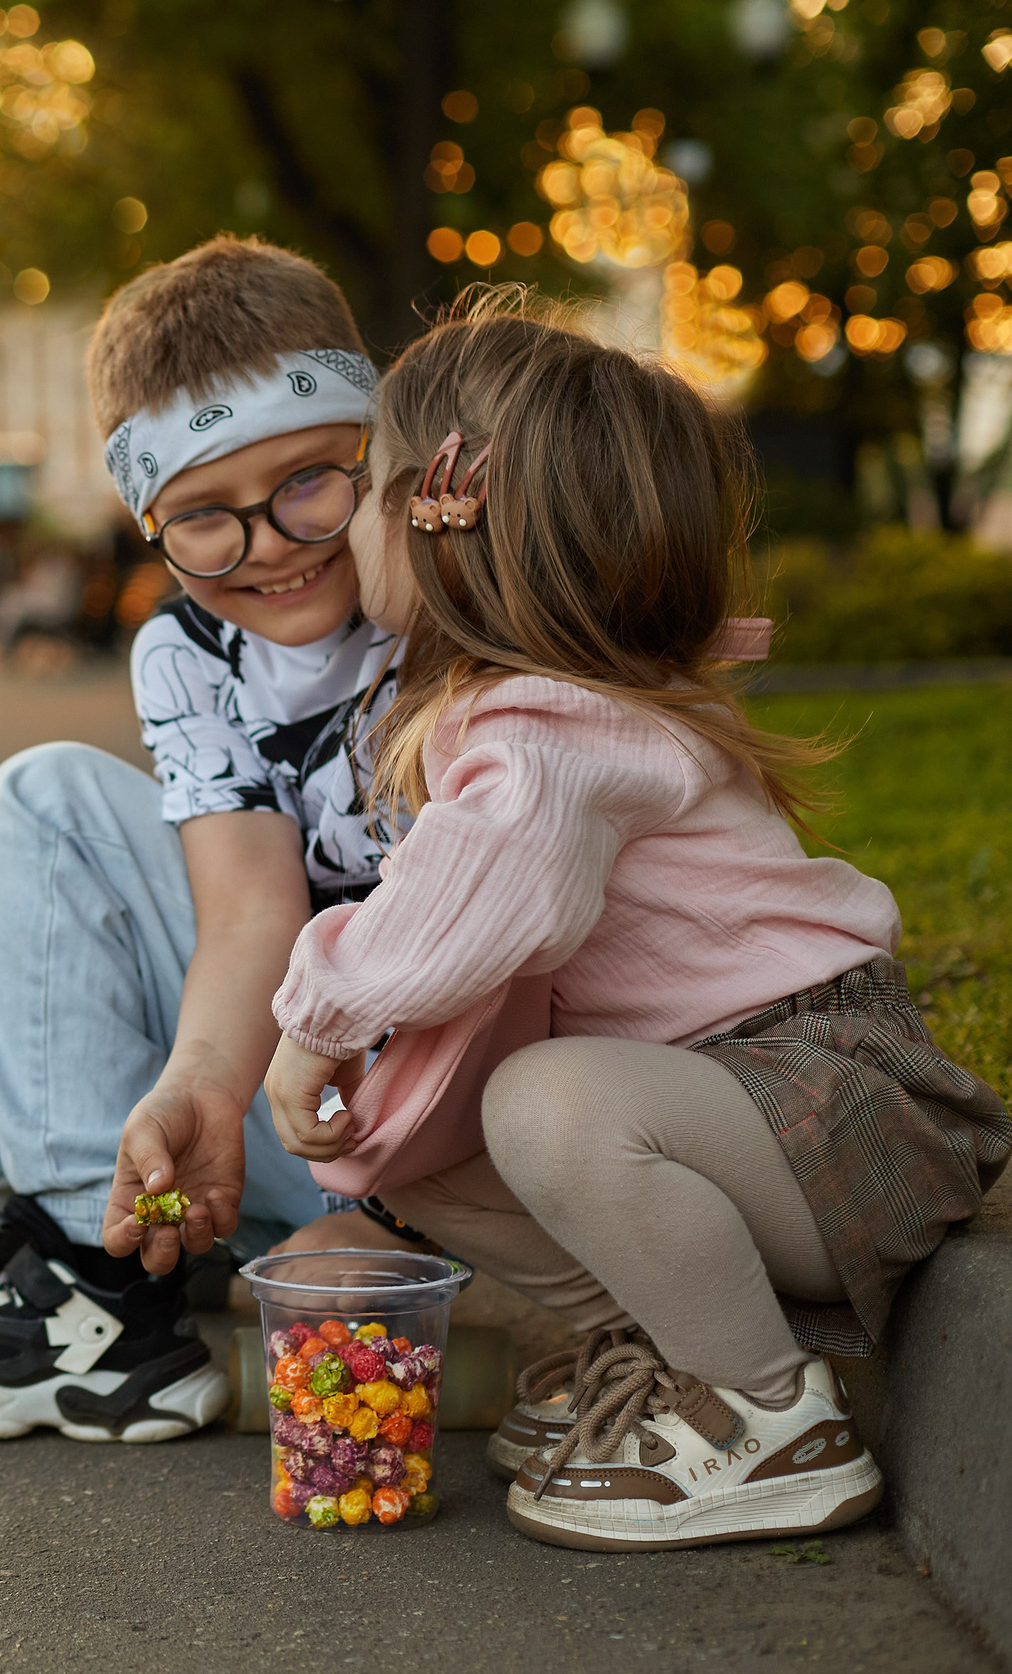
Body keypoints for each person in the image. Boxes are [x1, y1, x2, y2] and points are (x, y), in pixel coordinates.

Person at [260, 293, 1011, 1549]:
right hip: (751, 1122)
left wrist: (319, 1016)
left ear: (444, 514)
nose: (340, 526)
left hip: (831, 1099)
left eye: (363, 485)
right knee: (414, 1144)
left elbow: (483, 894)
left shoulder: (552, 723)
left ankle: (762, 1415)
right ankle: (658, 1345)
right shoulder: (560, 707)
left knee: (545, 1102)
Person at [0, 237, 413, 1442]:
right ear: (150, 525)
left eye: (308, 485)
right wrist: (191, 1090)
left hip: (417, 1130)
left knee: (46, 799)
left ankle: (100, 1298)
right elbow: (245, 913)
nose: (269, 544)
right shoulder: (184, 648)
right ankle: (68, 1225)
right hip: (258, 1106)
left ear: (374, 451)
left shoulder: (447, 601)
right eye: (202, 520)